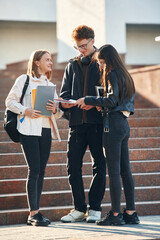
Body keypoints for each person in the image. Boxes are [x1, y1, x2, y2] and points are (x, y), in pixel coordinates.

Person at [76, 44, 140, 226]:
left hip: (111, 125)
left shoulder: (112, 73)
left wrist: (87, 99)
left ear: (108, 60)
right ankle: (131, 212)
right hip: (123, 124)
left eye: (102, 63)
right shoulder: (125, 74)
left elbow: (112, 100)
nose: (101, 67)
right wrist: (102, 104)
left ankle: (115, 214)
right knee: (125, 170)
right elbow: (119, 101)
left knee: (113, 172)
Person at [5, 49, 62, 226]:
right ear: (37, 62)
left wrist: (55, 109)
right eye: (47, 59)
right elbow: (10, 102)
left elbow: (58, 113)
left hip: (45, 130)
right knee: (34, 170)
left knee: (42, 170)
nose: (50, 62)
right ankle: (33, 213)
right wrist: (26, 110)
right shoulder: (24, 80)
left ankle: (36, 212)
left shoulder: (48, 83)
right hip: (28, 129)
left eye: (51, 60)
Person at [59, 25, 106, 223]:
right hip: (76, 124)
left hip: (97, 123)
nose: (81, 50)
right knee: (72, 166)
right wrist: (69, 104)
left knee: (99, 165)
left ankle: (95, 208)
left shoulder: (104, 63)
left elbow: (109, 92)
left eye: (84, 45)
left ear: (93, 41)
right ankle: (79, 208)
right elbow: (64, 95)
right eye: (77, 47)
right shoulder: (71, 65)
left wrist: (94, 103)